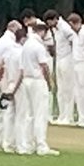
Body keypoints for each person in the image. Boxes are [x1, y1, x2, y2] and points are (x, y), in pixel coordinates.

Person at [15, 21, 59, 155]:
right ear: (43, 32)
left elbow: (22, 68)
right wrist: (50, 82)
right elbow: (44, 66)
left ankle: (28, 144)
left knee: (30, 114)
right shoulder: (38, 46)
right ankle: (41, 145)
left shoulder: (26, 45)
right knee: (40, 113)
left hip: (27, 80)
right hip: (37, 80)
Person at [0, 20, 22, 150]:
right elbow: (4, 63)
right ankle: (7, 142)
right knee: (7, 111)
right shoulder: (10, 44)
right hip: (6, 77)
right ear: (13, 28)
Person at [46, 9, 76, 126]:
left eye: (49, 22)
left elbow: (73, 41)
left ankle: (69, 116)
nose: (49, 25)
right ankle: (62, 115)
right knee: (61, 89)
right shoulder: (55, 28)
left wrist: (73, 57)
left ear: (55, 19)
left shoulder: (65, 27)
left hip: (68, 59)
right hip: (59, 59)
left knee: (68, 89)